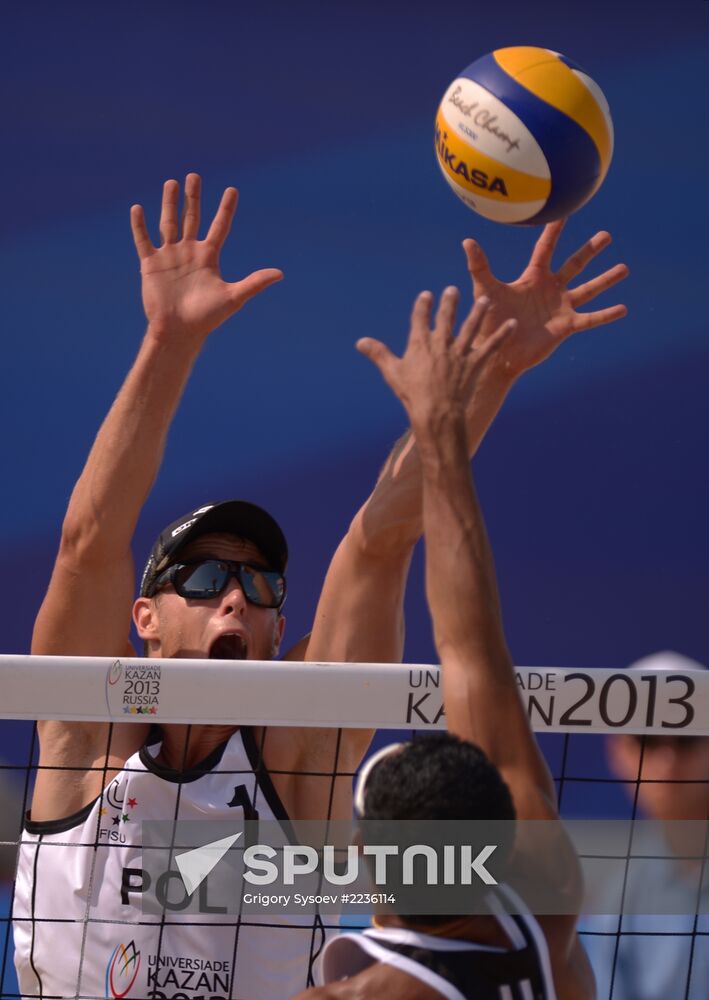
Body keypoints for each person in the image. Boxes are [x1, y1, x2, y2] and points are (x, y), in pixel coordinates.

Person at [12, 173, 628, 1000]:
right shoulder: (85, 735)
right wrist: (169, 340)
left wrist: (494, 368)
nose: (235, 598)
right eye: (203, 578)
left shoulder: (298, 755)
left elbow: (379, 542)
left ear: (276, 635)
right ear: (145, 619)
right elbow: (89, 543)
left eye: (261, 587)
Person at [295, 288, 600, 999]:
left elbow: (473, 653)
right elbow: (472, 651)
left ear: (366, 858)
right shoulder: (544, 919)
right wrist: (441, 426)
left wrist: (436, 422)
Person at [582, 651, 709, 1000]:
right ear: (617, 752)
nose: (667, 759)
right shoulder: (619, 901)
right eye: (648, 739)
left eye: (686, 736)